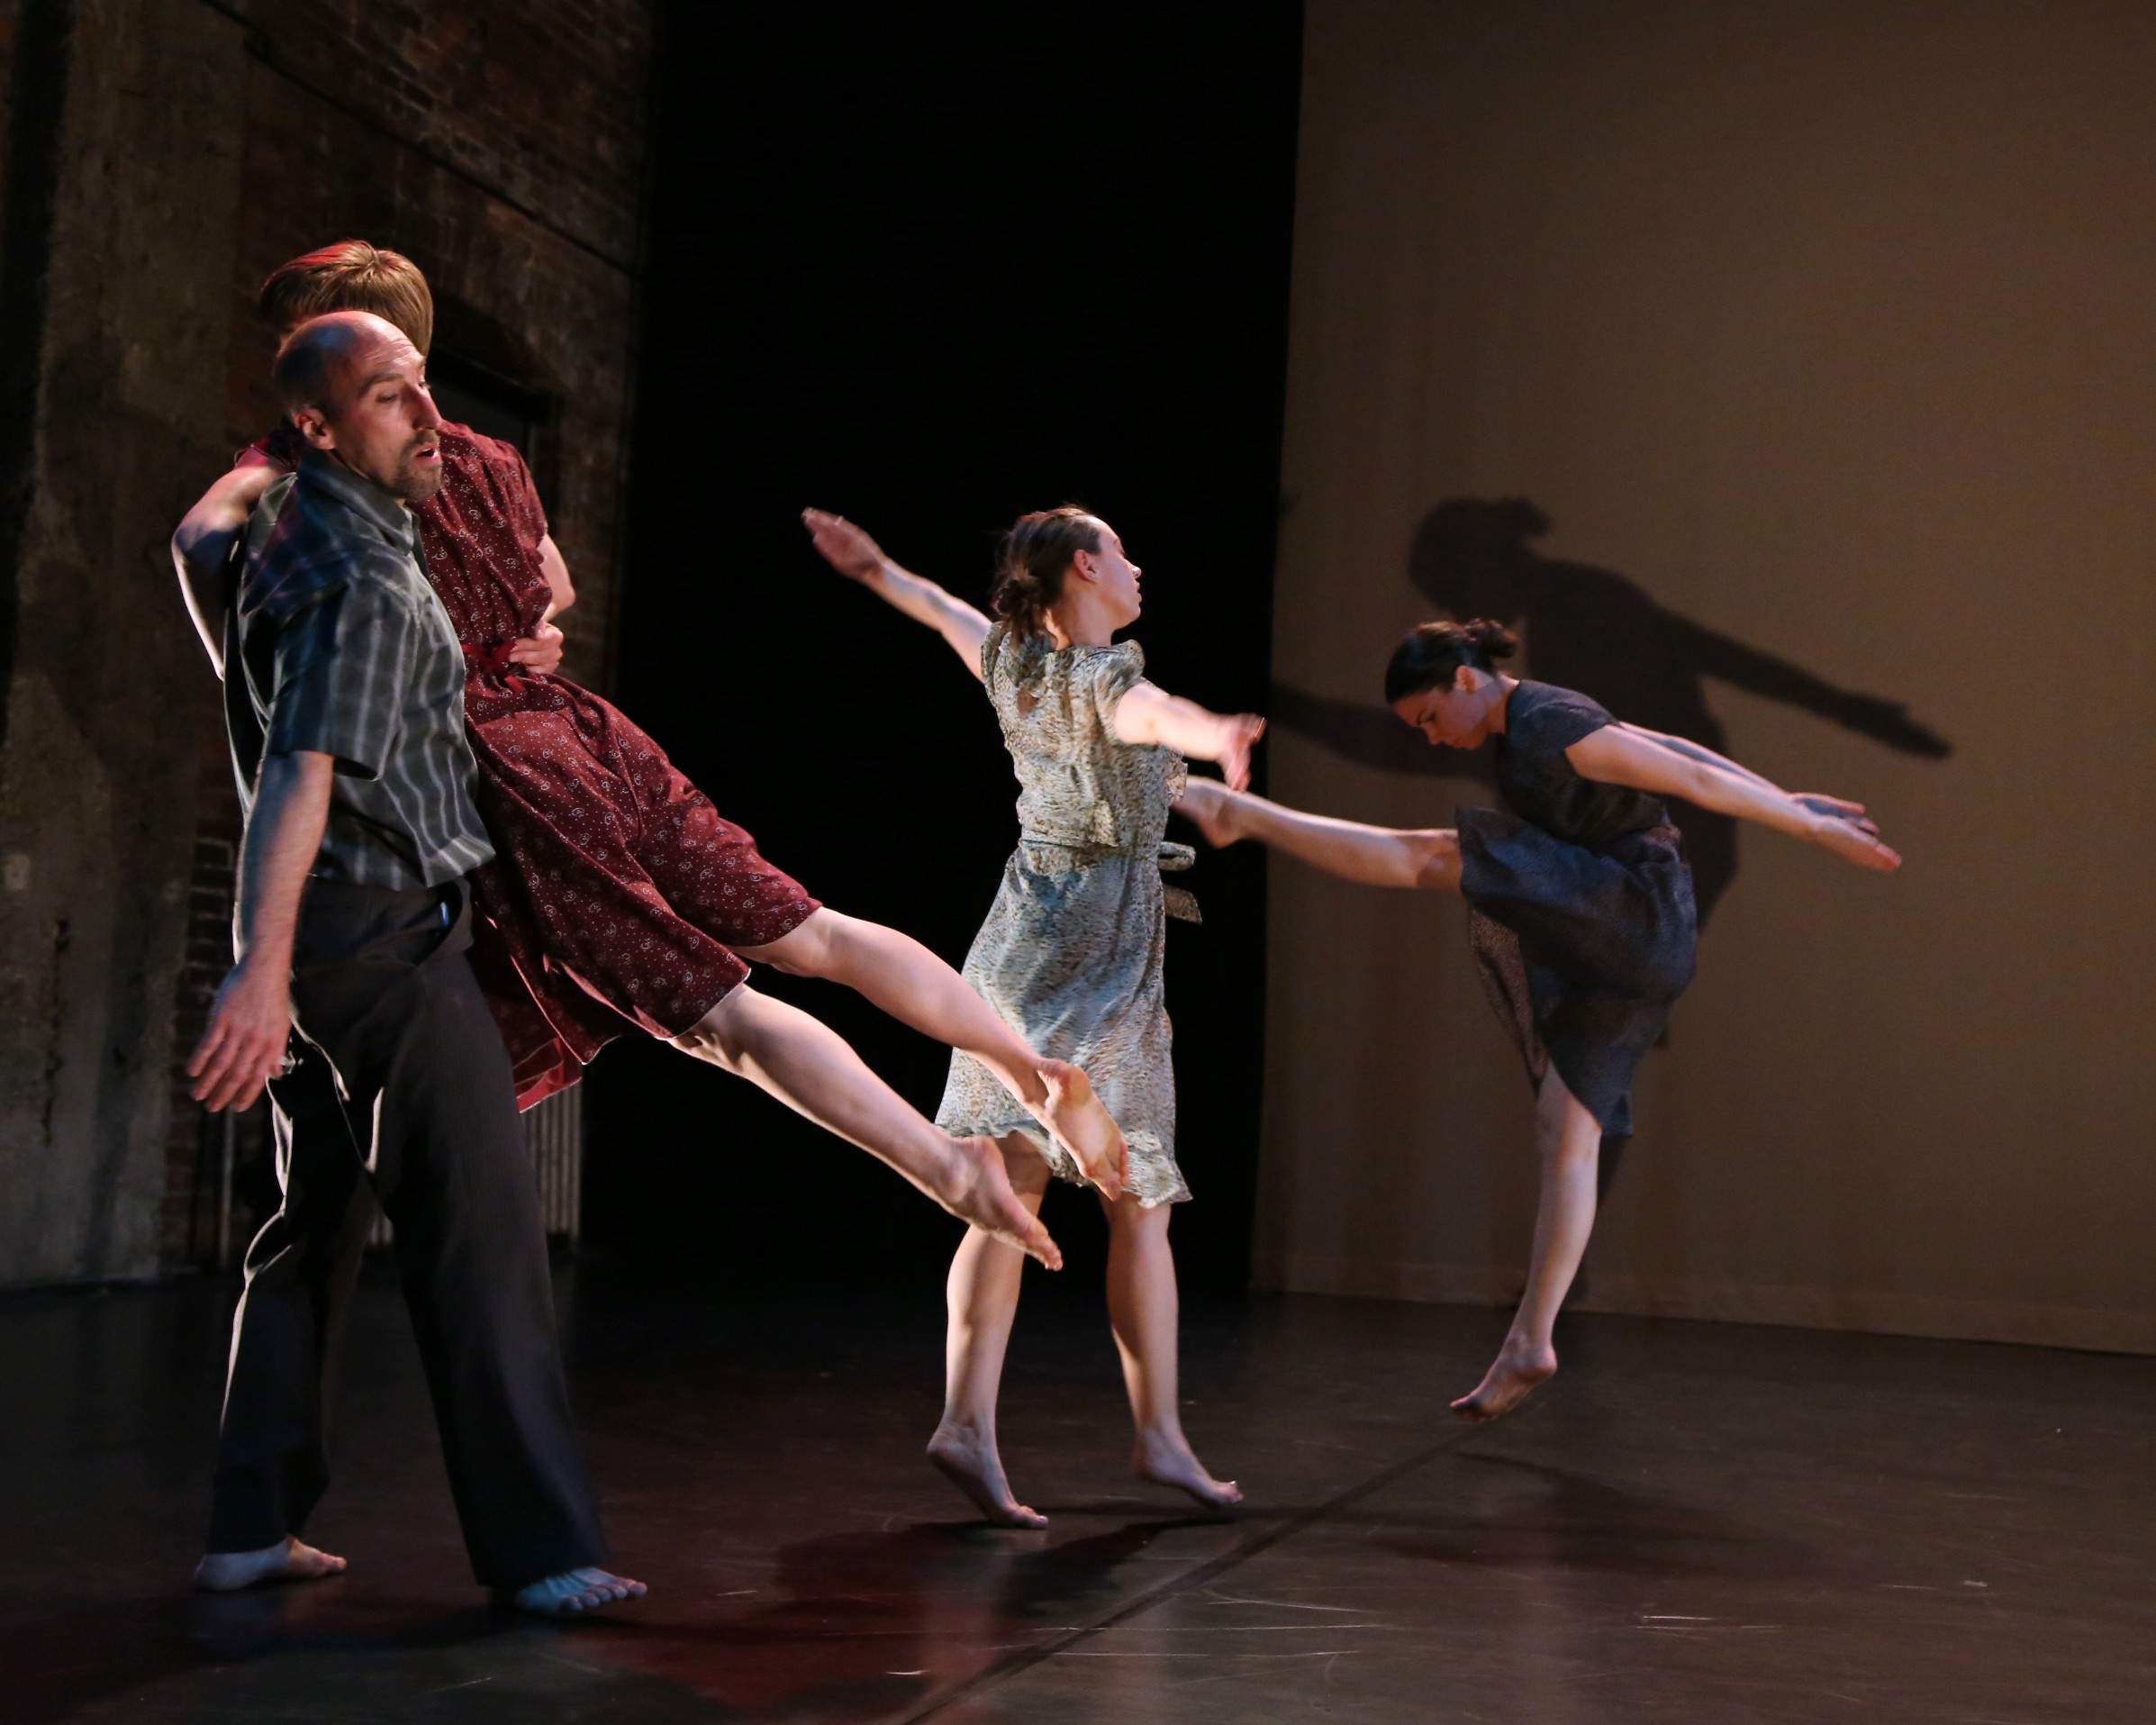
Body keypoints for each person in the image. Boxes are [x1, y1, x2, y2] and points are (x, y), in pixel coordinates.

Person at [172, 242, 1129, 1273]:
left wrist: (243, 660)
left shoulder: (310, 474)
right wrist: (525, 634)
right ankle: (1026, 1065)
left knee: (718, 1017)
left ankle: (946, 1167)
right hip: (586, 736)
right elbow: (555, 584)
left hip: (516, 775)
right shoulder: (490, 459)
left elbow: (199, 539)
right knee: (816, 934)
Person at [189, 312, 641, 1613]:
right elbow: (300, 769)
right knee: (482, 1230)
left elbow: (196, 541)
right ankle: (541, 1549)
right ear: (321, 428)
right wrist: (258, 968)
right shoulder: (365, 582)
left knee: (313, 1223)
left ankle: (250, 1521)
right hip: (380, 929)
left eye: (425, 385)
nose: (431, 416)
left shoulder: (289, 520)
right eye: (392, 398)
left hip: (339, 929)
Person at [1177, 619, 1902, 1421]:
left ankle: (1240, 816)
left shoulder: (1544, 721)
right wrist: (1788, 796)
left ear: (1465, 678)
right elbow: (1674, 747)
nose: (1431, 738)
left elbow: (1690, 778)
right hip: (1632, 940)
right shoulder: (1538, 715)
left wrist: (1807, 825)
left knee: (1430, 854)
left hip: (1629, 908)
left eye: (1429, 717)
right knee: (1565, 1130)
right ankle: (1531, 1340)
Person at [805, 505, 1264, 1527]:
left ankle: (972, 1423)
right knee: (1134, 1200)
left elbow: (938, 608)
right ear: (1087, 568)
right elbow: (1161, 715)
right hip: (1098, 957)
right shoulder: (1107, 681)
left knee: (1009, 1187)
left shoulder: (1013, 661)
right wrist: (1219, 734)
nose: (1138, 567)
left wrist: (874, 565)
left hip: (1021, 940)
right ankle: (1156, 1435)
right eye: (1123, 551)